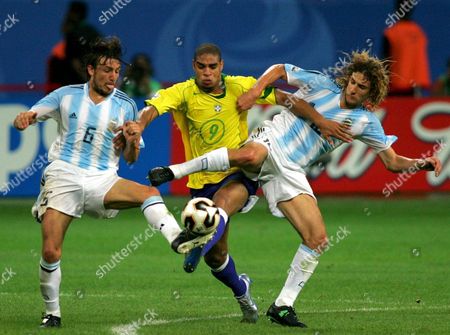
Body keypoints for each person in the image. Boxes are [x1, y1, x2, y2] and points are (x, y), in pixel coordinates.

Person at [148, 51, 442, 327]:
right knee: (250, 155)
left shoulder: (365, 122)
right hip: (270, 140)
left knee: (318, 239)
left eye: (361, 87)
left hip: (290, 170)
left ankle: (282, 305)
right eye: (352, 82)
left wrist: (421, 163)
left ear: (371, 92)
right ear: (348, 77)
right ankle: (173, 171)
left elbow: (392, 162)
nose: (353, 89)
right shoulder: (321, 84)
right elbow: (279, 70)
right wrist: (254, 91)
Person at [137, 43, 351, 323]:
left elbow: (290, 100)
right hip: (202, 182)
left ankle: (197, 241)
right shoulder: (183, 92)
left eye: (212, 66)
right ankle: (242, 291)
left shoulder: (240, 86)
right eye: (201, 66)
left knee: (221, 207)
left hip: (239, 173)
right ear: (194, 67)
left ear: (221, 66)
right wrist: (138, 127)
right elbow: (153, 108)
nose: (207, 72)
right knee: (217, 258)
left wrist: (321, 121)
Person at [13, 36, 207, 328]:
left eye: (116, 71)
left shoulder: (126, 106)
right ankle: (52, 312)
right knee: (51, 251)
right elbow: (31, 114)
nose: (112, 76)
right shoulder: (65, 95)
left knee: (149, 193)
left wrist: (131, 142)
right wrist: (23, 119)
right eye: (106, 70)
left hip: (103, 179)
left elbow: (130, 158)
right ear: (91, 70)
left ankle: (179, 239)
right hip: (64, 175)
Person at [383, 0, 431, 96]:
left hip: (396, 88)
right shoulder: (419, 32)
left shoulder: (391, 32)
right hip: (416, 88)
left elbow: (385, 62)